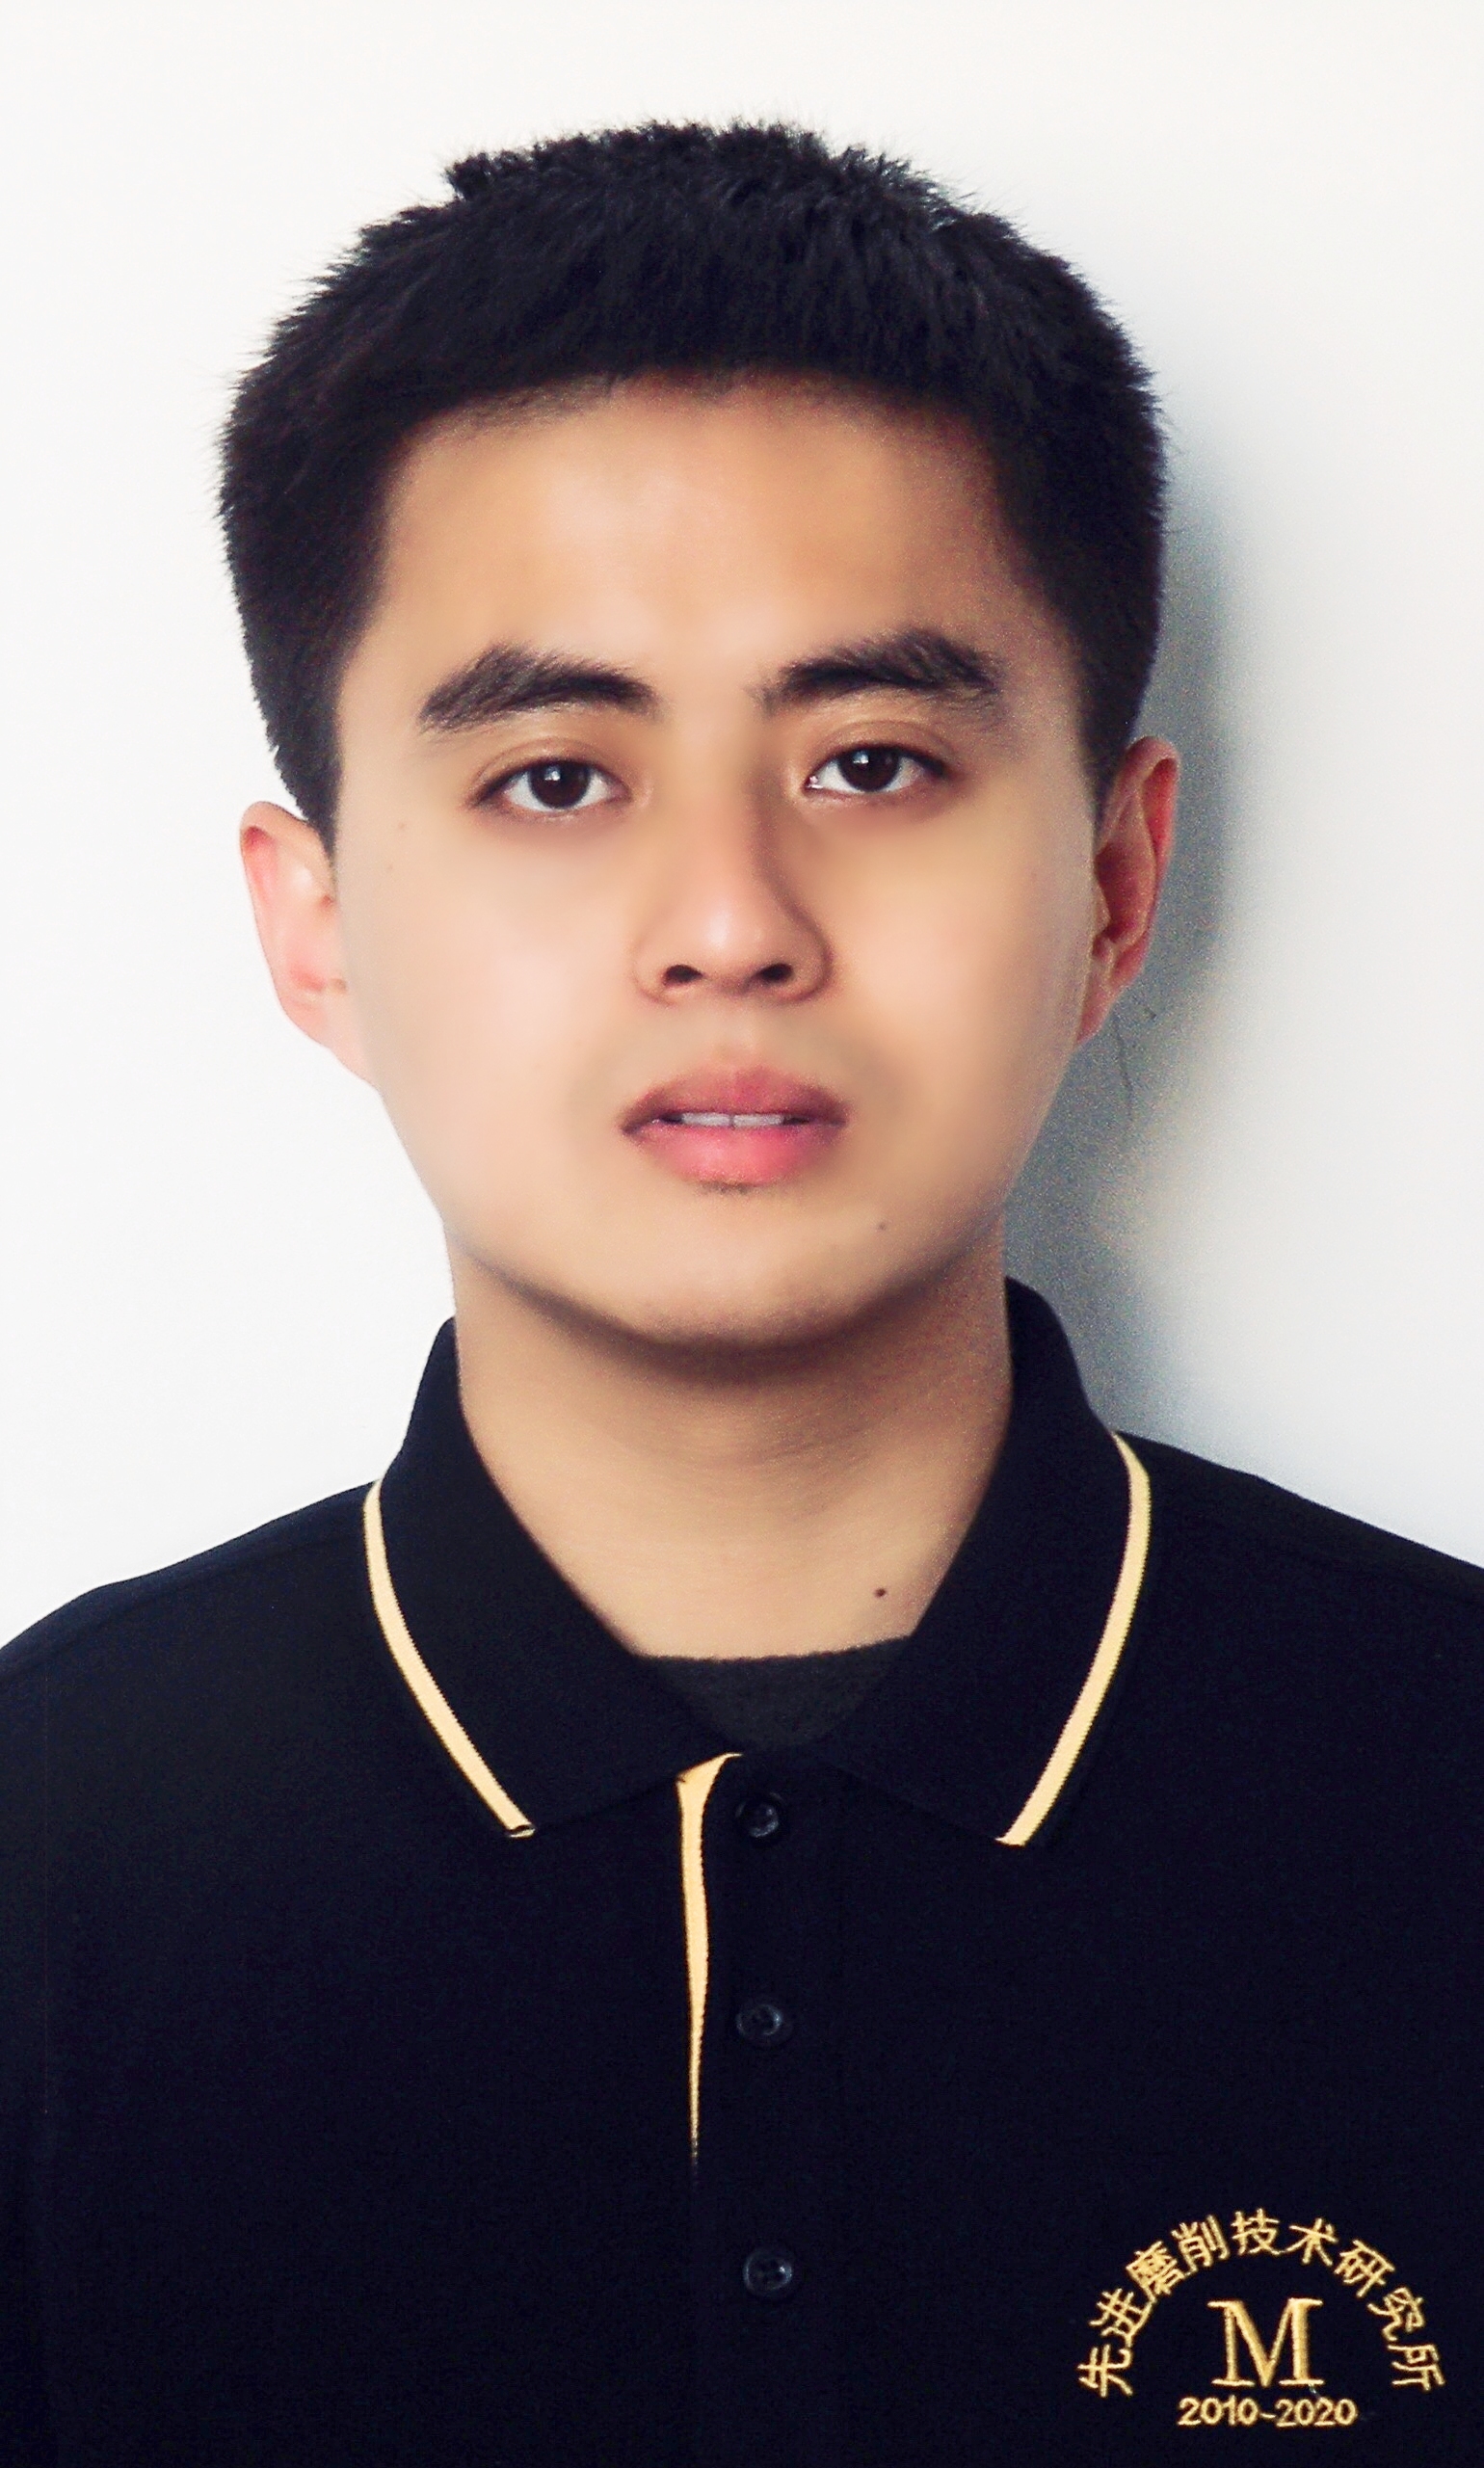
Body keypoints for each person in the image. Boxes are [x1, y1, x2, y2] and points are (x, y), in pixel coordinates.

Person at [2, 122, 1477, 2468]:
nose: (727, 923)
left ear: (1111, 883)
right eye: (554, 779)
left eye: (870, 762)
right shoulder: (48, 1855)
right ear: (318, 925)